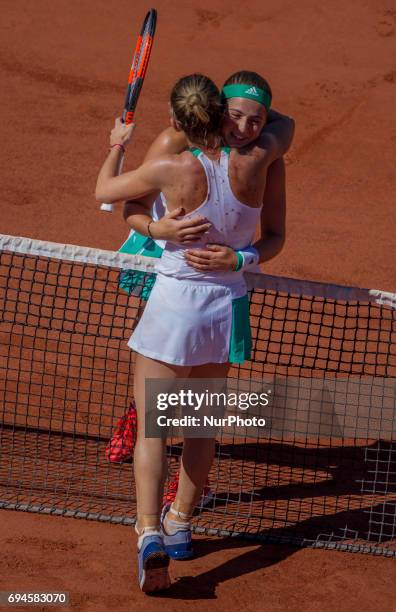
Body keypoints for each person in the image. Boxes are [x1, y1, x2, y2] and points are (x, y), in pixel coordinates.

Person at [96, 73, 294, 592]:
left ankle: (148, 532)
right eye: (237, 115)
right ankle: (182, 521)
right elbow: (283, 131)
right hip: (223, 313)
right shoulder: (265, 159)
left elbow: (108, 193)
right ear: (217, 112)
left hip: (173, 309)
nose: (247, 126)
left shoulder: (170, 160)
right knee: (201, 424)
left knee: (153, 428)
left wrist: (117, 147)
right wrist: (240, 256)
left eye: (255, 118)